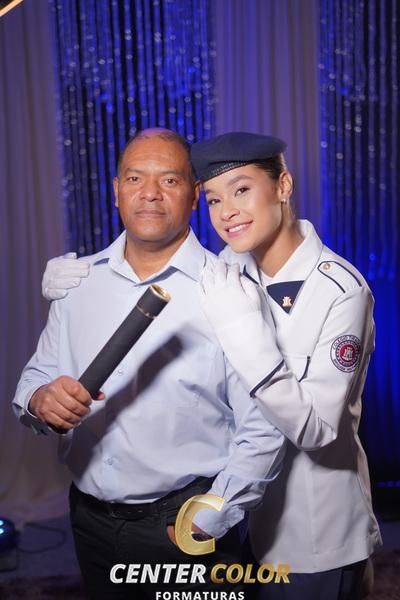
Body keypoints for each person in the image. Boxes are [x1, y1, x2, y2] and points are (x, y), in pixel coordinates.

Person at [40, 131, 381, 599]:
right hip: (246, 527)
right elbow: (158, 263)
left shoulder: (340, 290)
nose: (228, 212)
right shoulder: (228, 268)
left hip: (313, 531)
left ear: (283, 186)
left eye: (242, 190)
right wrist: (80, 276)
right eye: (216, 199)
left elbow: (317, 430)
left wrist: (244, 330)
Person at [13, 128, 285, 600]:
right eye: (135, 178)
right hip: (89, 521)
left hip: (184, 523)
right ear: (117, 190)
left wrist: (212, 517)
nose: (150, 193)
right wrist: (40, 400)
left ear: (194, 195)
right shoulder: (77, 283)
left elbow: (264, 426)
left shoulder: (228, 289)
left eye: (170, 180)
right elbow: (35, 377)